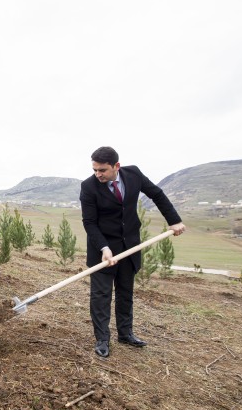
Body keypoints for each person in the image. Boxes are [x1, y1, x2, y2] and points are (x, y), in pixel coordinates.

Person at [80, 146, 186, 358]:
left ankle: (126, 333)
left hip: (130, 246)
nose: (98, 174)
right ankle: (102, 339)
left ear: (116, 166)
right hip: (102, 249)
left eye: (102, 170)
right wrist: (104, 248)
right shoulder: (89, 186)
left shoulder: (133, 174)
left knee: (125, 291)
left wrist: (174, 221)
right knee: (100, 296)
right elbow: (89, 222)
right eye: (95, 170)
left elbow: (157, 194)